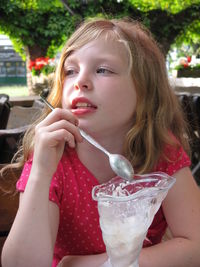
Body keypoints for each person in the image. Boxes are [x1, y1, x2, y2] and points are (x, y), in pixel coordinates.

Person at [1, 17, 200, 267]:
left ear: (144, 92)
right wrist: (40, 174)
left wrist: (84, 264)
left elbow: (196, 247)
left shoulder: (160, 151)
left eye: (102, 69)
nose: (79, 81)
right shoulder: (52, 159)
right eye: (70, 71)